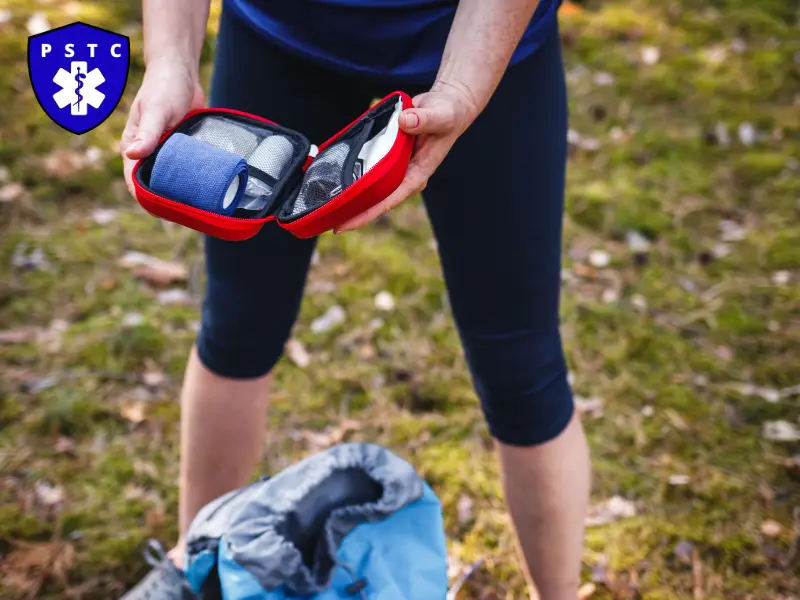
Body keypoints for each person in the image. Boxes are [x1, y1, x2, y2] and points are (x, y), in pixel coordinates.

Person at [120, 0, 591, 598]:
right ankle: (200, 571)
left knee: (519, 362)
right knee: (239, 323)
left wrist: (462, 89)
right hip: (280, 33)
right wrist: (170, 62)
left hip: (483, 41)